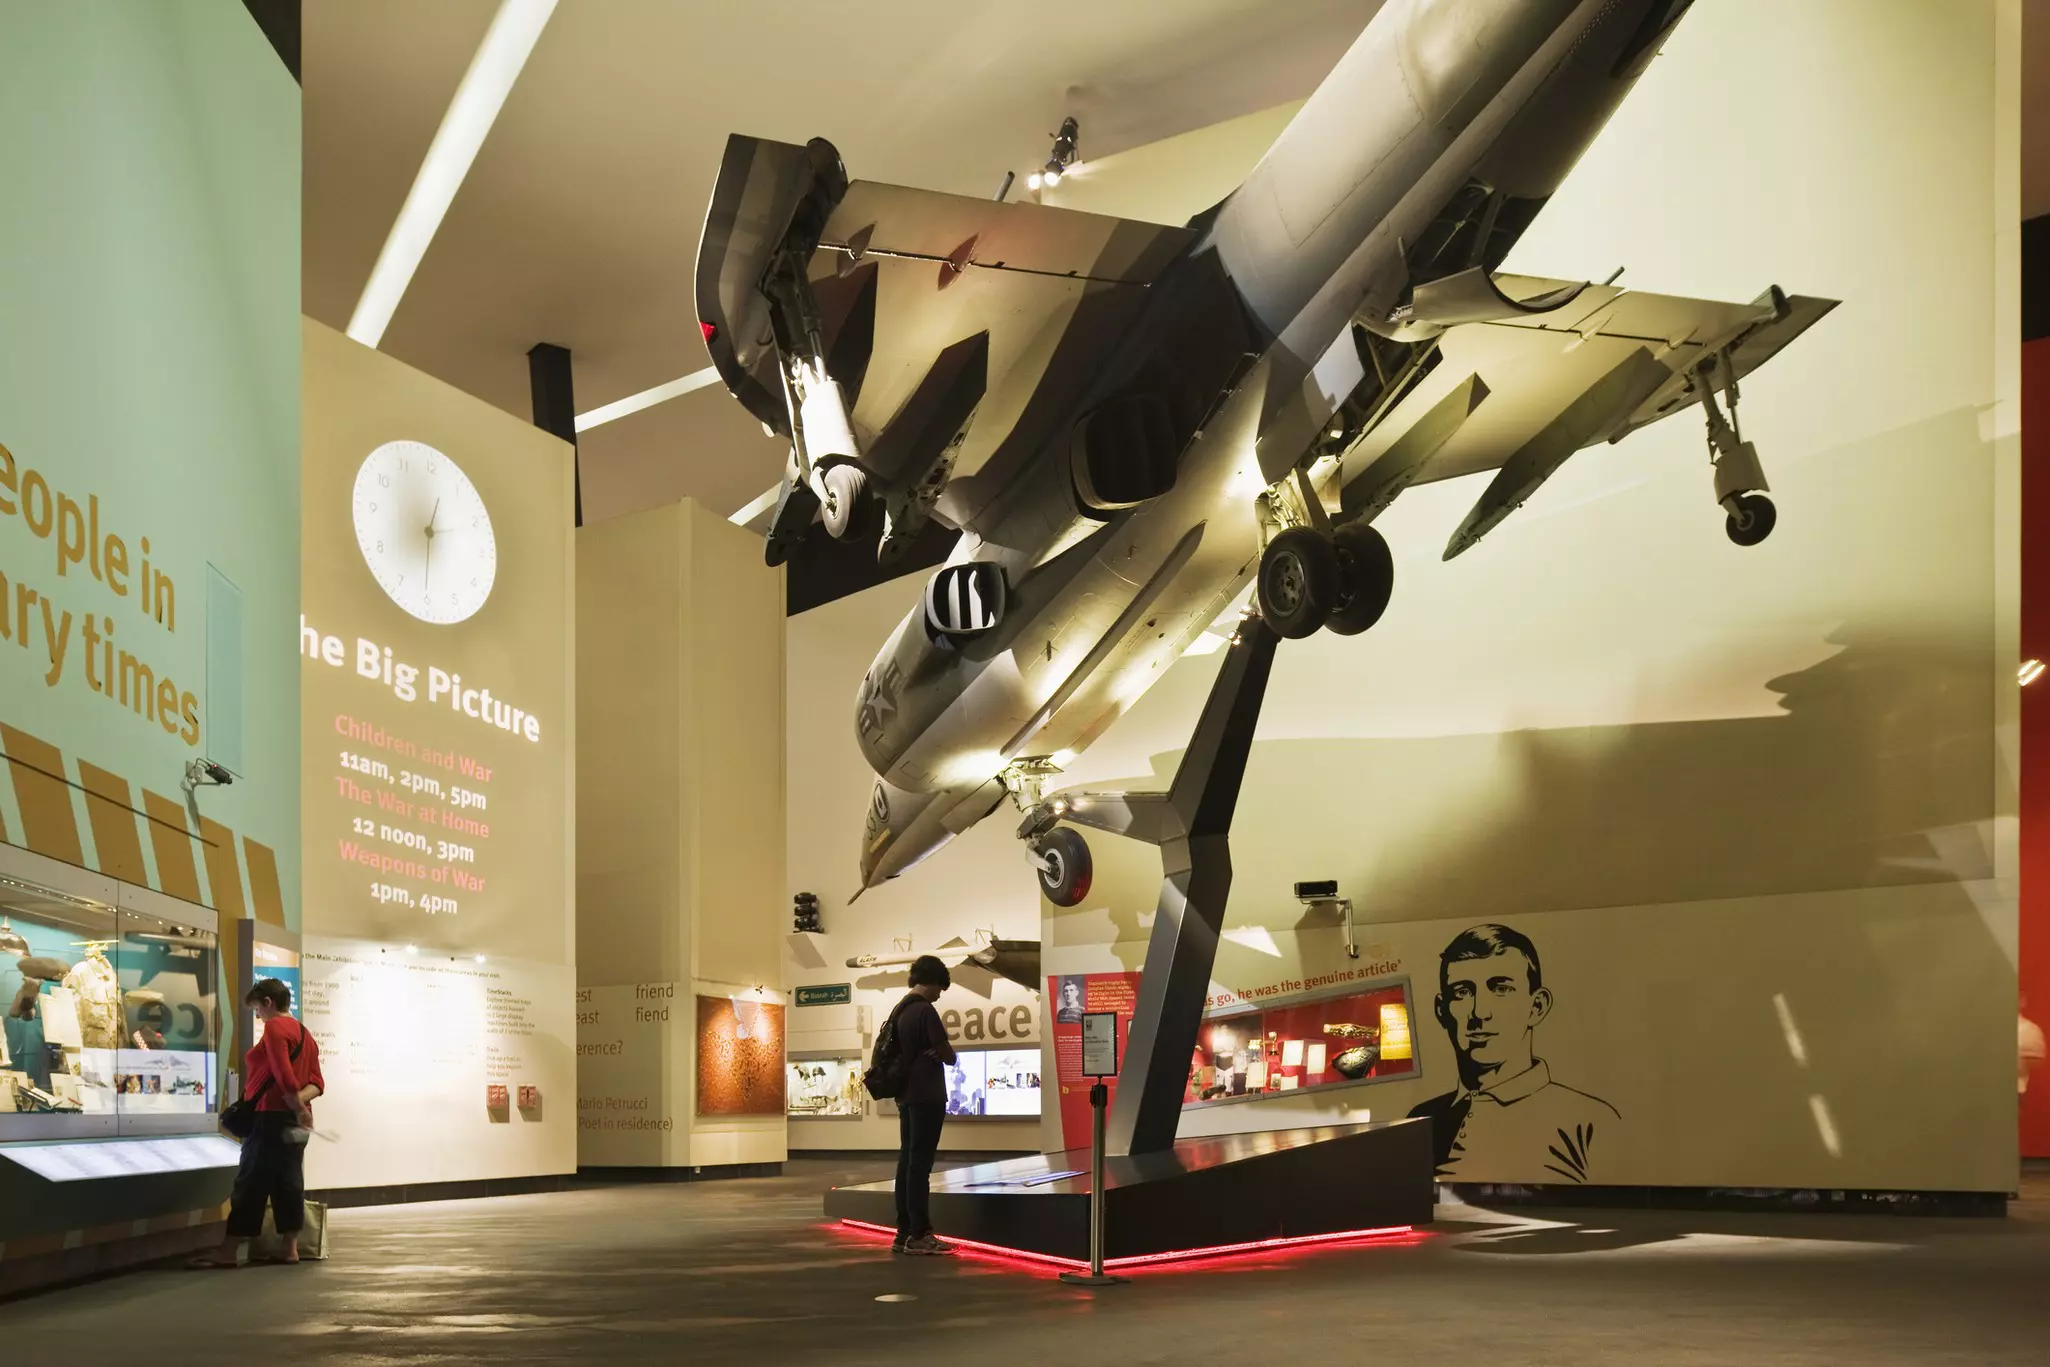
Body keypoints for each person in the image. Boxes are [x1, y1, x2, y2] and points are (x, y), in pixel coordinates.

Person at [1406, 924, 1617, 1183]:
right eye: (1462, 992)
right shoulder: (1421, 1120)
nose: (1480, 1013)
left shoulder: (1590, 1122)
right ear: (1442, 1011)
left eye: (1501, 989)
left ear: (1536, 1006)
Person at [191, 979, 325, 1268]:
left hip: (269, 1117)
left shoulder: (275, 1027)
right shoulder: (304, 1032)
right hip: (292, 1120)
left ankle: (228, 1250)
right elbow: (317, 1082)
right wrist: (301, 1107)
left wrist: (294, 1101)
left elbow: (282, 1072)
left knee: (251, 1181)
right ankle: (289, 1247)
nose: (257, 1017)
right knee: (288, 1181)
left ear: (267, 1003)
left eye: (256, 1010)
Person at [891, 955, 957, 1256]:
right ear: (930, 982)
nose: (939, 995)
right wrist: (939, 1050)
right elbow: (949, 1055)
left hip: (905, 1095)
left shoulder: (900, 1010)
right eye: (939, 989)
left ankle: (903, 1232)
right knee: (921, 1166)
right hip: (927, 1095)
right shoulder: (924, 1011)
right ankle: (920, 1234)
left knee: (907, 1162)